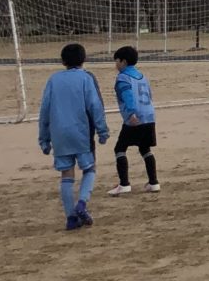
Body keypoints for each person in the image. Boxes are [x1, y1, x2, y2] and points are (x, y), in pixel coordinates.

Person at [37, 43, 110, 232]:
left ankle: (70, 217)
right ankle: (82, 203)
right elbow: (95, 106)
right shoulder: (86, 78)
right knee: (90, 168)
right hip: (81, 132)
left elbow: (44, 110)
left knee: (66, 175)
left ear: (63, 61)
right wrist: (102, 131)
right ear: (84, 59)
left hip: (59, 134)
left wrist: (44, 138)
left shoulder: (53, 80)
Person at [106, 45, 160, 195]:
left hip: (135, 117)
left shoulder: (123, 77)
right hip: (149, 115)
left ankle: (124, 184)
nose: (116, 64)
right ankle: (153, 182)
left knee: (120, 149)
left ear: (123, 62)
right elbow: (150, 95)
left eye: (117, 61)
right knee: (145, 148)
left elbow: (127, 95)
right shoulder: (142, 76)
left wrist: (130, 113)